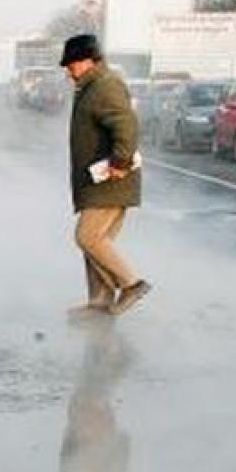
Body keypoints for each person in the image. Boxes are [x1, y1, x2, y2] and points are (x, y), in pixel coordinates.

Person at [62, 34, 151, 319]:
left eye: (72, 63)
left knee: (88, 238)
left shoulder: (104, 86)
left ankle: (131, 284)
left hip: (111, 180)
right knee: (97, 242)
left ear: (89, 60)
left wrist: (121, 161)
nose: (68, 70)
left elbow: (126, 124)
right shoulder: (90, 87)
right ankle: (99, 300)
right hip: (98, 181)